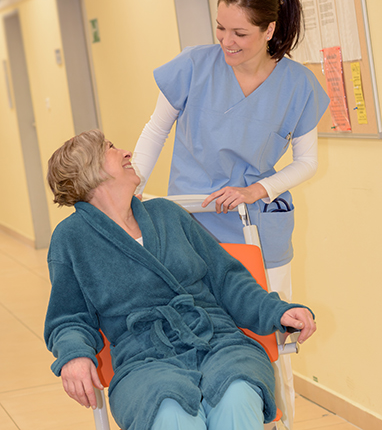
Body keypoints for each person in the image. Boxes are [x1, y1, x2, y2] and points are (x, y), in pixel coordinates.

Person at [133, 0, 329, 428]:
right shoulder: (194, 66)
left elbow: (307, 163)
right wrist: (136, 183)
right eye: (220, 28)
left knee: (271, 338)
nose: (226, 41)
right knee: (202, 333)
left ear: (270, 30)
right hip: (190, 224)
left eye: (239, 33)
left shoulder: (298, 85)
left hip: (257, 224)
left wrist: (257, 189)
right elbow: (154, 131)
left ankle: (278, 420)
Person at [44, 129, 316, 430]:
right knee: (172, 413)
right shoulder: (71, 239)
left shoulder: (166, 213)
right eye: (110, 148)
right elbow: (67, 317)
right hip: (143, 361)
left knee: (238, 395)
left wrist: (276, 311)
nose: (126, 152)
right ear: (89, 172)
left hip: (218, 340)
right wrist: (73, 354)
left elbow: (227, 279)